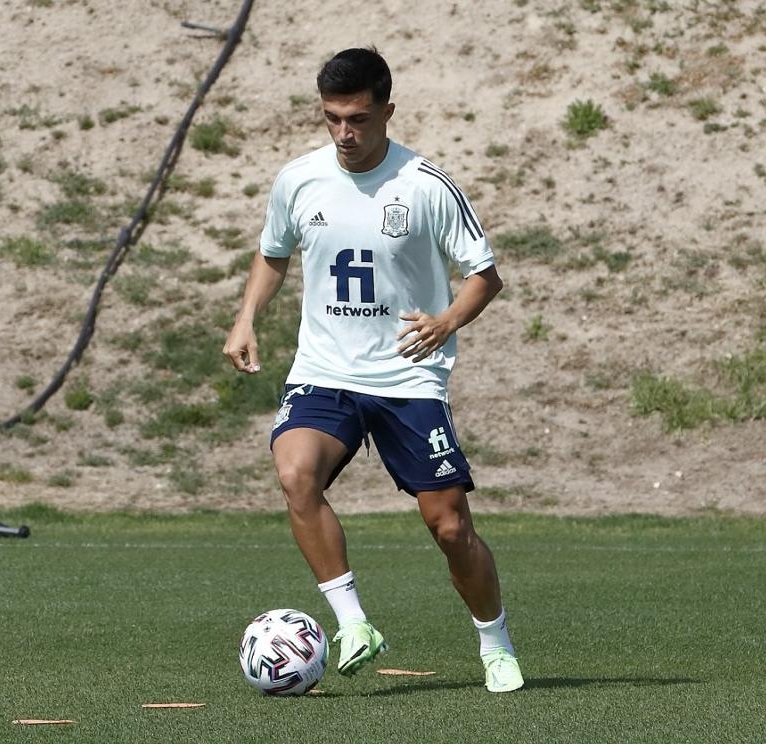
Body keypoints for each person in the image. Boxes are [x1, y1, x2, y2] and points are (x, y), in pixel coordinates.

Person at [222, 47, 523, 693]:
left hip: (407, 378)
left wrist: (445, 322)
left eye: (357, 118)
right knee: (294, 473)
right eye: (332, 119)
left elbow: (484, 277)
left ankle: (495, 642)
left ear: (387, 110)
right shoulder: (300, 180)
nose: (344, 134)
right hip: (325, 369)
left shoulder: (426, 185)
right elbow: (272, 254)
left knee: (448, 524)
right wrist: (246, 316)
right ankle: (354, 623)